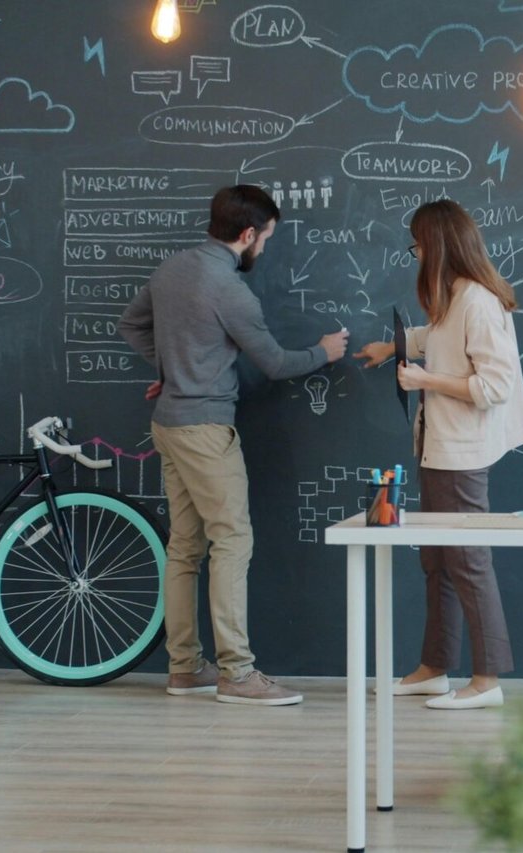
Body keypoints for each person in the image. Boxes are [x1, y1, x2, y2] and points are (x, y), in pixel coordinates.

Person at [119, 184, 349, 706]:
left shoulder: (171, 269)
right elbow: (275, 363)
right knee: (233, 541)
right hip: (204, 430)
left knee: (184, 548)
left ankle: (184, 668)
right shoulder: (230, 290)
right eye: (265, 238)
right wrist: (324, 351)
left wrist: (169, 368)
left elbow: (130, 324)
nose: (264, 248)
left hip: (168, 424)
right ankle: (237, 673)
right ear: (247, 235)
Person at [353, 199, 523, 710]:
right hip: (438, 447)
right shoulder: (454, 298)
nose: (415, 255)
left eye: (418, 245)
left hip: (460, 453)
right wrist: (393, 347)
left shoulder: (476, 300)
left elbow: (495, 385)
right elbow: (437, 337)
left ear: (437, 245)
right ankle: (434, 667)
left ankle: (487, 680)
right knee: (438, 561)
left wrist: (423, 378)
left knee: (468, 561)